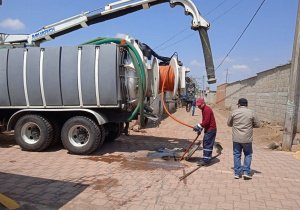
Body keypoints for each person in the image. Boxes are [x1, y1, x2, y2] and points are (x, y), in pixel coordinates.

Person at [227, 98, 260, 180]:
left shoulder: (234, 112)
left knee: (237, 155)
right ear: (246, 104)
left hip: (236, 138)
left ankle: (237, 173)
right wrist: (250, 126)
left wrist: (235, 125)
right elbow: (258, 124)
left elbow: (229, 123)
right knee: (248, 154)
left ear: (239, 104)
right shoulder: (251, 112)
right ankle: (246, 172)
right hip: (247, 139)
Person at [193, 98, 217, 165]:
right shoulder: (203, 109)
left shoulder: (206, 110)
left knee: (207, 144)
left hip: (211, 129)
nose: (198, 107)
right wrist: (200, 128)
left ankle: (206, 160)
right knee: (206, 143)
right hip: (209, 129)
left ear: (203, 103)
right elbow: (204, 121)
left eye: (199, 105)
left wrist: (198, 126)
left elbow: (206, 121)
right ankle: (206, 158)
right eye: (198, 106)